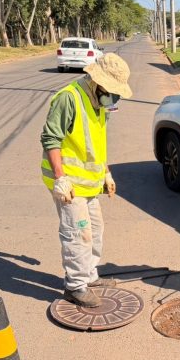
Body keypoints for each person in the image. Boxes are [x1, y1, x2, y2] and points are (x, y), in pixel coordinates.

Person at [40, 53, 132, 307]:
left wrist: (106, 172)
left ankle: (89, 276)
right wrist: (60, 178)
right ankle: (75, 286)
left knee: (95, 230)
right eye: (111, 91)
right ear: (96, 82)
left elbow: (97, 143)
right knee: (77, 233)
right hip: (69, 183)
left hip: (90, 183)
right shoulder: (68, 98)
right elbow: (50, 139)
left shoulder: (100, 104)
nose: (114, 97)